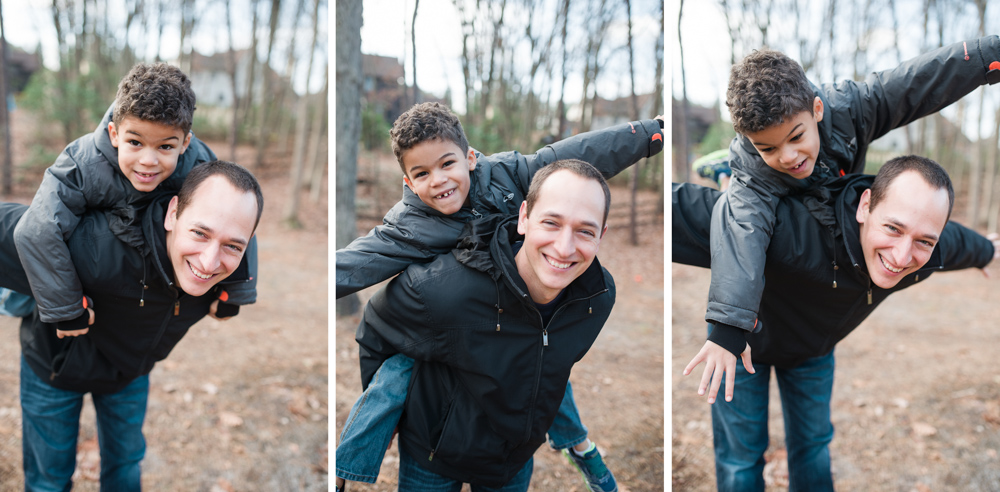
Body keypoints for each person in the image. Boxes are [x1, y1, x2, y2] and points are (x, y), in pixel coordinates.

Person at [336, 102, 663, 491]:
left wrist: (650, 134)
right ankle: (352, 464)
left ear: (471, 158)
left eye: (447, 164)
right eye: (422, 173)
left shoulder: (508, 175)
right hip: (443, 323)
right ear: (408, 182)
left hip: (514, 313)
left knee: (546, 361)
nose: (439, 181)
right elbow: (357, 264)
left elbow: (578, 155)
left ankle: (578, 443)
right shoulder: (410, 227)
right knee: (397, 371)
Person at [674, 155, 999, 491]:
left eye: (924, 241)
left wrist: (985, 252)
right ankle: (728, 177)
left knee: (813, 448)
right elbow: (684, 211)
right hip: (740, 345)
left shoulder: (925, 250)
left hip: (811, 350)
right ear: (865, 206)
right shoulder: (789, 226)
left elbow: (960, 242)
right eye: (893, 228)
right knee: (741, 459)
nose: (902, 257)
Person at [700, 36, 1000, 396]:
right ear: (751, 143)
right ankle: (725, 176)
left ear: (817, 109)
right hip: (782, 203)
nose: (789, 156)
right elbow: (742, 234)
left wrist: (988, 57)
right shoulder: (754, 172)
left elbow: (915, 83)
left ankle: (724, 174)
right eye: (768, 147)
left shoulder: (849, 108)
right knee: (739, 206)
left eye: (796, 136)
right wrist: (728, 328)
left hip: (835, 201)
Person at [354, 159, 615, 490]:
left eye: (584, 231)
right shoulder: (446, 290)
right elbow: (376, 325)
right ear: (524, 218)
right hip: (432, 457)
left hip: (512, 462)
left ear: (601, 236)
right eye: (551, 222)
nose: (564, 248)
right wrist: (386, 411)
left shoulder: (596, 299)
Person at [4, 160, 263, 490]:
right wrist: (64, 306)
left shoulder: (226, 278)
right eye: (200, 233)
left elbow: (239, 237)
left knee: (125, 469)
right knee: (48, 482)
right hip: (54, 368)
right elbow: (13, 230)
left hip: (129, 374)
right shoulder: (96, 245)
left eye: (232, 245)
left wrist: (238, 296)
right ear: (173, 215)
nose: (209, 262)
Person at [10, 62, 254, 338]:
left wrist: (235, 291)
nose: (148, 161)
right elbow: (36, 229)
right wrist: (66, 309)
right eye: (135, 142)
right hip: (80, 312)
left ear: (185, 143)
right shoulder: (82, 163)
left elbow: (239, 219)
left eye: (165, 146)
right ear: (115, 134)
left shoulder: (199, 164)